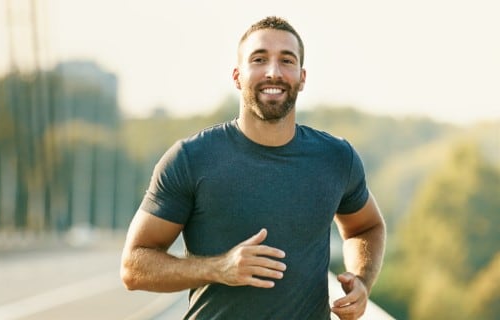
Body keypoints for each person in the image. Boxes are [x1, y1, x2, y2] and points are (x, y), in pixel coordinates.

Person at [120, 16, 386, 320]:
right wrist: (220, 268)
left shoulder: (336, 157)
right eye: (259, 59)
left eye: (286, 61)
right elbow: (134, 266)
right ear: (237, 76)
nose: (273, 72)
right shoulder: (191, 158)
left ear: (302, 77)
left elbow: (366, 227)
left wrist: (362, 281)